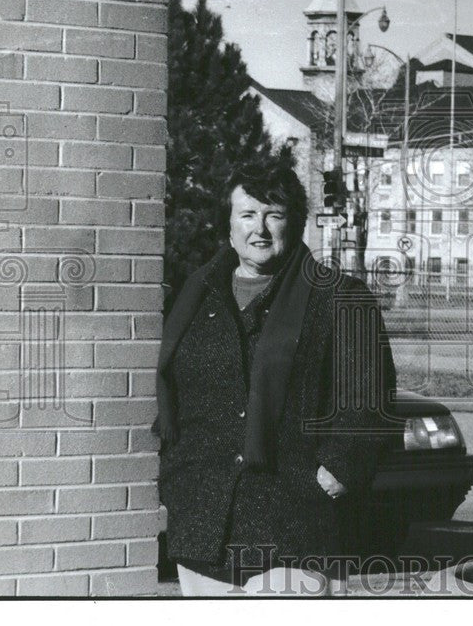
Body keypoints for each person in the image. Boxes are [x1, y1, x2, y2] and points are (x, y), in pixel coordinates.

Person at [154, 155, 397, 596]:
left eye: (274, 215)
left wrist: (340, 468)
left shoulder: (340, 299)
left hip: (297, 524)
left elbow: (369, 400)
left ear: (296, 223)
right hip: (206, 521)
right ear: (228, 223)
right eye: (247, 214)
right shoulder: (197, 296)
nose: (259, 229)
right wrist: (177, 474)